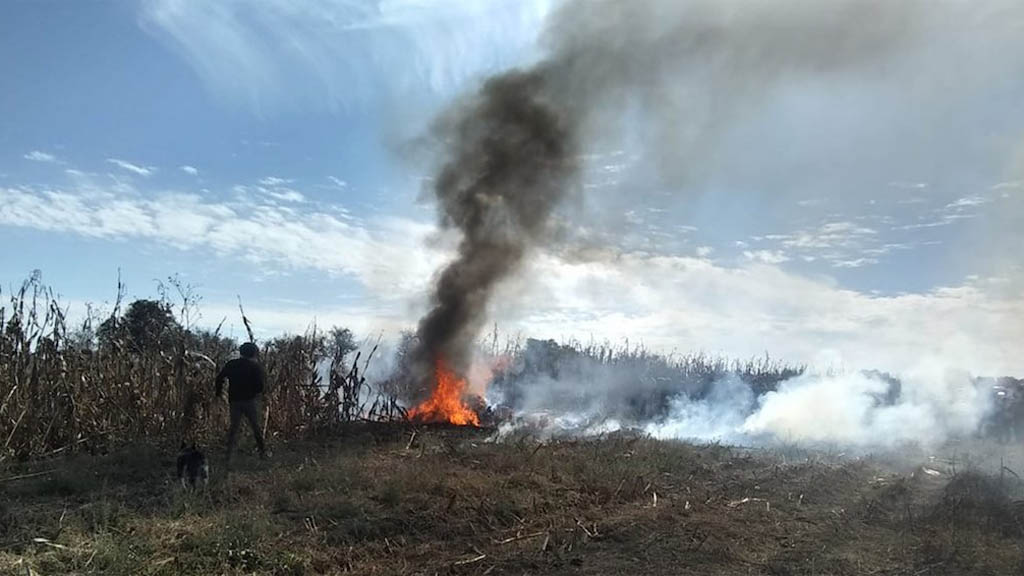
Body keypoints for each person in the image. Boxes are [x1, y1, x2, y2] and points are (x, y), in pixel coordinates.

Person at [215, 342, 269, 466]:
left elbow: (219, 378)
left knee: (234, 428)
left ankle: (228, 456)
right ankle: (262, 453)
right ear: (254, 353)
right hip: (250, 401)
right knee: (256, 428)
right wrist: (255, 393)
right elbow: (260, 386)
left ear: (241, 352)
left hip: (234, 401)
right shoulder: (255, 367)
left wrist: (218, 393)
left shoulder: (231, 364)